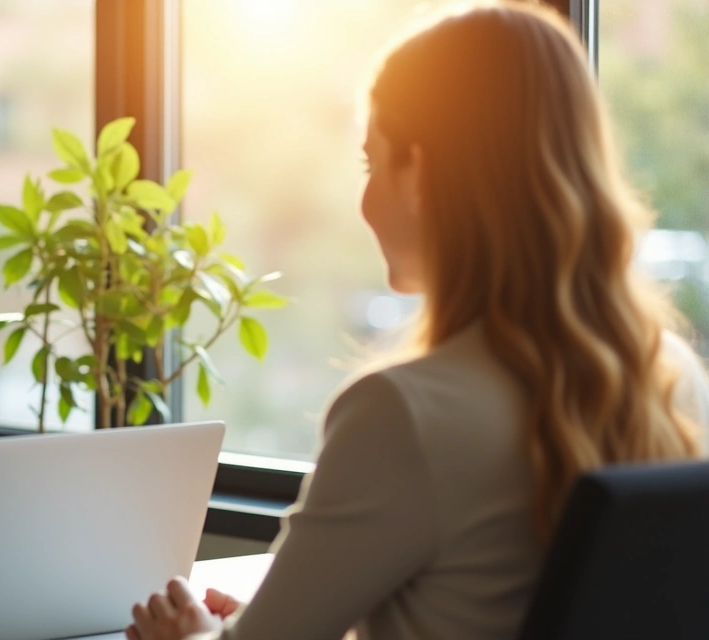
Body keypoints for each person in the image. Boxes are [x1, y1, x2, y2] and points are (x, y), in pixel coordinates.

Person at [127, 3, 709, 639]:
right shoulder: (672, 379)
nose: (366, 200)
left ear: (423, 173)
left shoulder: (403, 414)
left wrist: (191, 635)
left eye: (373, 163)